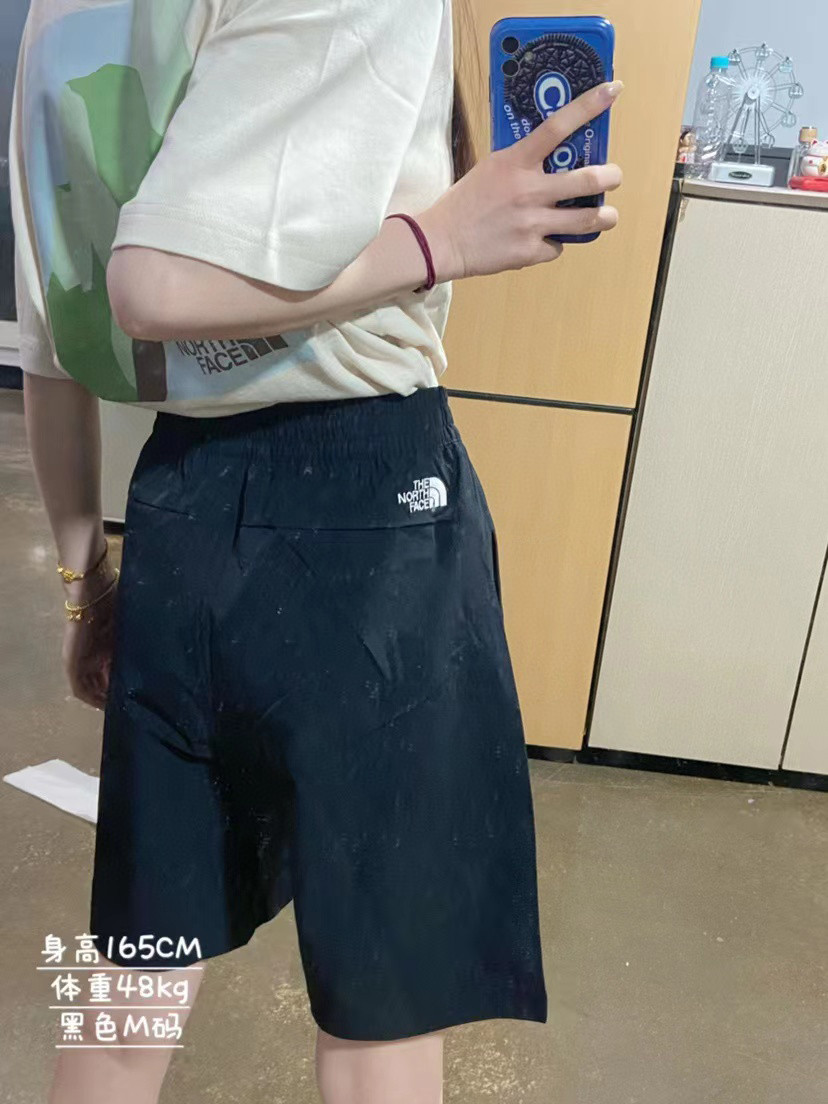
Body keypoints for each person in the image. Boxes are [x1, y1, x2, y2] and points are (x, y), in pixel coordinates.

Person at [10, 1, 623, 1101]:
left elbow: (55, 337)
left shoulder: (67, 15)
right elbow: (151, 285)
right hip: (370, 508)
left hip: (184, 500)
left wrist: (83, 574)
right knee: (384, 1001)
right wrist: (442, 240)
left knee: (133, 978)